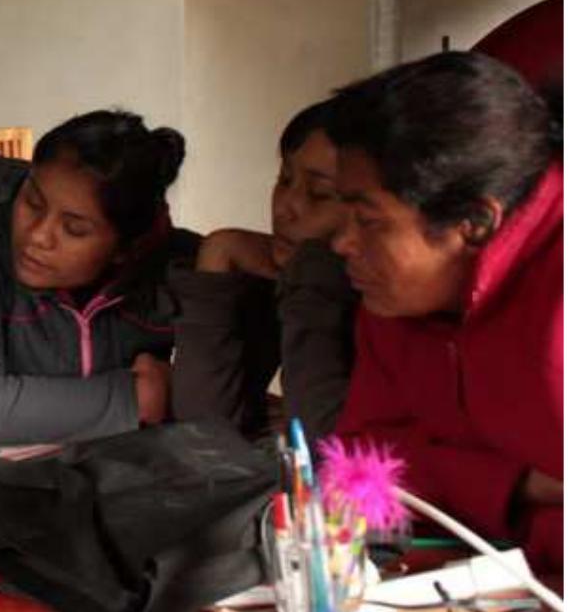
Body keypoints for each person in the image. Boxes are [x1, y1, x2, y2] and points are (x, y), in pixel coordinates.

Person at [329, 51, 562, 570]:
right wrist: (518, 485)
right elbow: (359, 466)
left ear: (473, 223)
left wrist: (444, 474)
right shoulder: (395, 300)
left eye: (369, 221)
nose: (342, 242)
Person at [0, 110, 199, 446]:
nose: (38, 236)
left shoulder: (180, 270)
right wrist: (135, 397)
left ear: (124, 248)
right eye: (32, 202)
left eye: (74, 229)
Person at [170, 99, 357, 439]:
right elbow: (203, 429)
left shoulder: (389, 313)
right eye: (284, 180)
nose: (286, 207)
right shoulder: (274, 280)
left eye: (320, 194)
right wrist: (218, 254)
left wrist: (310, 273)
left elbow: (326, 445)